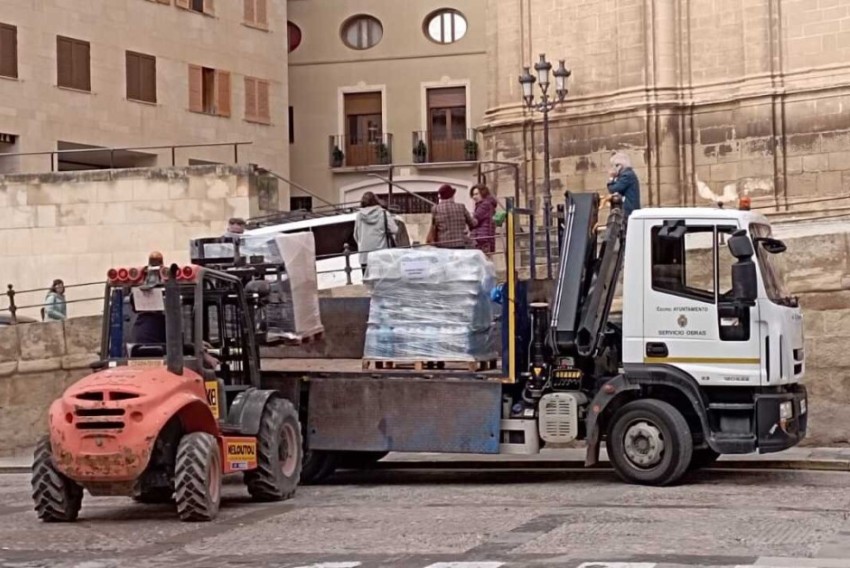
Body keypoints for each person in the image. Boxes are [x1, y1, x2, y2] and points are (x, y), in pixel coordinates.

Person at [354, 192, 398, 275]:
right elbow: (395, 229)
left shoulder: (359, 216)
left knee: (368, 284)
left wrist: (362, 244)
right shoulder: (384, 213)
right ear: (376, 201)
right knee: (382, 283)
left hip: (364, 257)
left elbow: (356, 235)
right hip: (381, 256)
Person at [428, 184, 476, 249]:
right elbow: (472, 223)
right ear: (452, 195)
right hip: (459, 243)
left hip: (443, 245)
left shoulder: (435, 209)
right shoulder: (461, 207)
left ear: (441, 197)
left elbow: (434, 227)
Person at [606, 151, 641, 219]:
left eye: (614, 165)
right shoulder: (626, 175)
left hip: (628, 211)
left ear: (619, 166)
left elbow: (614, 189)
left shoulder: (627, 175)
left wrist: (611, 178)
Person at [470, 184, 498, 255]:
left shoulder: (484, 205)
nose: (474, 197)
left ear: (483, 193)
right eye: (473, 195)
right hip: (485, 238)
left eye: (476, 194)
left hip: (482, 239)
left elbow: (474, 219)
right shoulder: (488, 204)